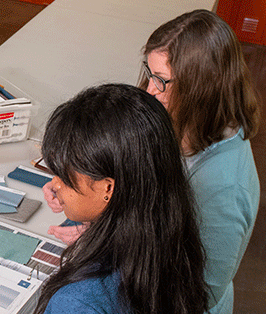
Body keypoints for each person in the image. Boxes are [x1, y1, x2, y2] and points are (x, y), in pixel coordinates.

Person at [43, 9, 261, 314]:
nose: (149, 90)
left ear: (201, 89)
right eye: (149, 74)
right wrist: (89, 206)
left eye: (161, 81)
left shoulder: (225, 189)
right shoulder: (181, 125)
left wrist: (105, 246)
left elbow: (199, 293)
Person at [35, 83, 209, 314]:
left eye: (65, 175)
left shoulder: (77, 302)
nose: (55, 184)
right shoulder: (169, 243)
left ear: (108, 188)